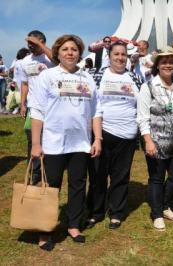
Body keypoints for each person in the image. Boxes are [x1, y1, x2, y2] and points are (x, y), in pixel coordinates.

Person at [29, 34, 102, 251]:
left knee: (78, 185)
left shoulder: (87, 78)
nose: (70, 52)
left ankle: (73, 225)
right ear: (58, 53)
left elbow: (96, 110)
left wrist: (97, 138)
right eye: (65, 49)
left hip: (80, 143)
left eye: (74, 49)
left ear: (79, 53)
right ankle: (45, 230)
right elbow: (37, 110)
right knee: (51, 187)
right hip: (52, 142)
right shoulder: (47, 76)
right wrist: (35, 143)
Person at [85, 41, 140, 230]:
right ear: (109, 56)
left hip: (127, 136)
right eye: (116, 54)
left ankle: (116, 213)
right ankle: (95, 212)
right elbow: (91, 104)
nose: (120, 58)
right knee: (98, 176)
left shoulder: (134, 77)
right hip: (102, 133)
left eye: (123, 54)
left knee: (120, 176)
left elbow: (141, 104)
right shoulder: (98, 75)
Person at [137, 46, 173, 231]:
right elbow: (143, 117)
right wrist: (148, 141)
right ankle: (157, 213)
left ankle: (165, 205)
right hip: (156, 140)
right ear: (157, 65)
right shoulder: (148, 86)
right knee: (157, 178)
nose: (168, 65)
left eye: (171, 61)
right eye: (163, 62)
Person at [20, 30, 54, 185]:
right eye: (29, 43)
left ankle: (48, 169)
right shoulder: (25, 61)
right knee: (32, 138)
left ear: (42, 41)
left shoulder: (49, 57)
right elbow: (24, 83)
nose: (30, 46)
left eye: (33, 43)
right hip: (33, 106)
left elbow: (58, 59)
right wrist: (22, 103)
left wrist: (39, 43)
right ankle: (34, 172)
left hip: (52, 106)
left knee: (48, 138)